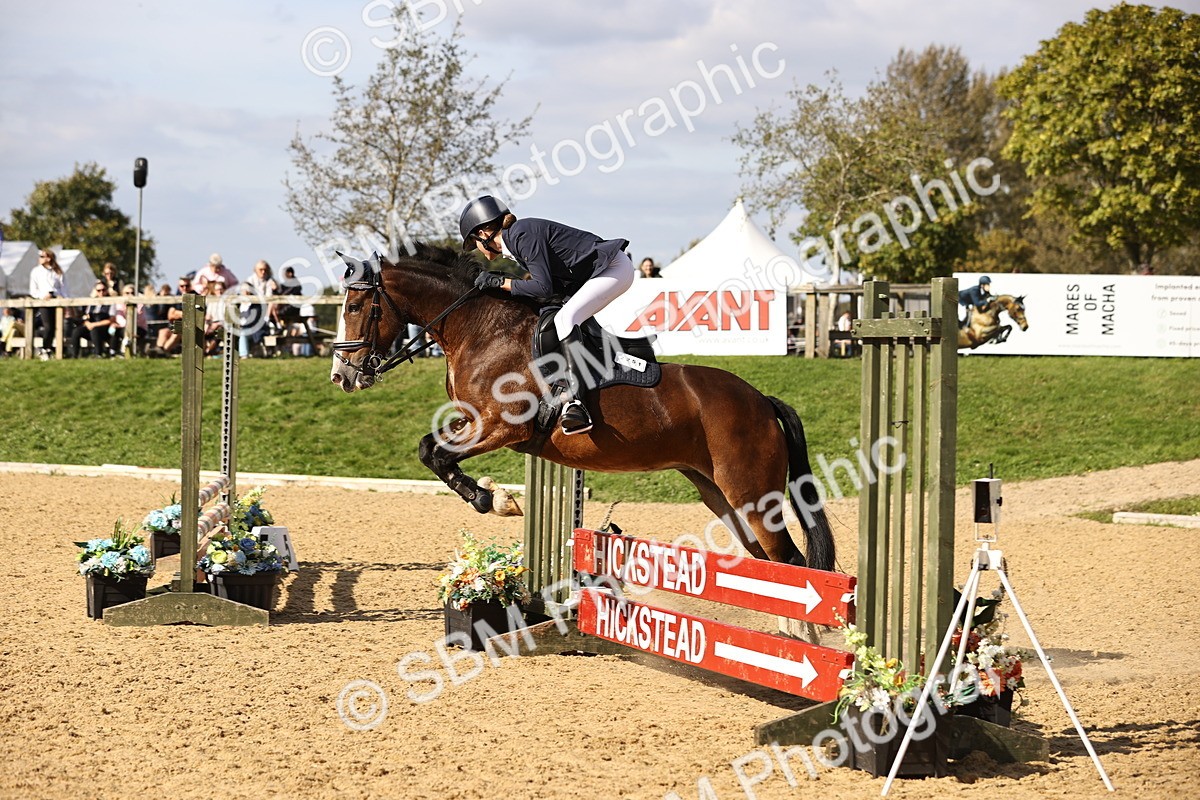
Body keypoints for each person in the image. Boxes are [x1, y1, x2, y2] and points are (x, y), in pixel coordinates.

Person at [459, 195, 632, 435]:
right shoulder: (517, 242)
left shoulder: (522, 235)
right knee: (554, 314)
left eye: (474, 242)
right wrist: (505, 283)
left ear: (485, 233)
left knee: (565, 319)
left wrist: (502, 282)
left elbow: (543, 287)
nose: (477, 250)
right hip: (594, 274)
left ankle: (576, 402)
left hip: (612, 268)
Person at [29, 249, 67, 359]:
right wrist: (43, 296)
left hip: (57, 301)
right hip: (43, 302)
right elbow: (33, 290)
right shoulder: (35, 271)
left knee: (58, 327)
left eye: (42, 256)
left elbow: (64, 288)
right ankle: (45, 348)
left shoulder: (57, 272)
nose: (40, 258)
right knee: (48, 326)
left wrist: (57, 295)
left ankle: (51, 349)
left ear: (48, 258)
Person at [238, 260, 279, 358]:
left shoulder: (270, 281)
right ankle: (244, 354)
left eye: (265, 270)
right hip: (251, 312)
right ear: (256, 270)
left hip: (264, 313)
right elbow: (244, 295)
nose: (263, 272)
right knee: (244, 332)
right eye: (261, 270)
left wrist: (267, 317)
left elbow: (270, 300)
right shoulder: (250, 280)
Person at [69, 281, 118, 358]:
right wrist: (87, 323)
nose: (101, 292)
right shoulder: (92, 302)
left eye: (103, 290)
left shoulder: (111, 302)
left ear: (106, 290)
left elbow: (111, 320)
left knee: (95, 330)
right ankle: (74, 355)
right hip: (91, 327)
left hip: (104, 329)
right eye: (99, 290)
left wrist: (94, 324)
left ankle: (98, 354)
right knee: (76, 331)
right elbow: (86, 316)